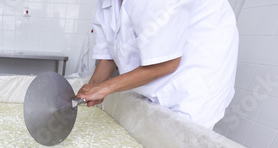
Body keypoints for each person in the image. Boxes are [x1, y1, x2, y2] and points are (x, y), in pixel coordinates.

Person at [76, 0, 239, 129]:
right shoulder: (107, 3)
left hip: (192, 85)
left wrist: (104, 88)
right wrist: (89, 92)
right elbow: (109, 55)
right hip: (153, 82)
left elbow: (167, 64)